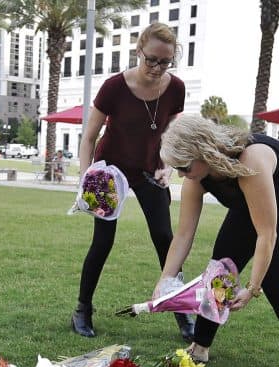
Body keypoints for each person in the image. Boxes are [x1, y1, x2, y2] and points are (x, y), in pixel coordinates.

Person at [156, 115, 279, 367]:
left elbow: (266, 234)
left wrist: (252, 288)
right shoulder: (196, 177)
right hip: (251, 200)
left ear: (205, 152)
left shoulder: (251, 160)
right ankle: (200, 347)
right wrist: (165, 280)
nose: (180, 174)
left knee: (275, 278)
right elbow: (183, 234)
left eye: (184, 166)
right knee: (221, 269)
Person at [71, 22, 193, 343]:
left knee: (165, 240)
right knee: (103, 241)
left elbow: (170, 133)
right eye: (151, 59)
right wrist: (89, 179)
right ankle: (82, 310)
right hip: (110, 170)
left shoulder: (176, 89)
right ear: (139, 51)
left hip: (149, 170)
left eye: (164, 62)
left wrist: (167, 167)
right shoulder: (114, 87)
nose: (156, 67)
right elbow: (89, 137)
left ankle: (182, 312)